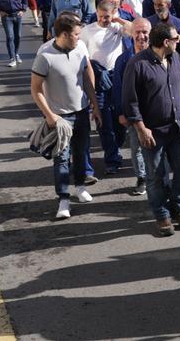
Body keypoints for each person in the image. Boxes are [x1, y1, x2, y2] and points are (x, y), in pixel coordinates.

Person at [121, 23, 180, 236]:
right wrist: (141, 129)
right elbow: (130, 102)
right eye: (176, 39)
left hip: (178, 128)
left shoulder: (175, 59)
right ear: (166, 42)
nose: (179, 41)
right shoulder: (137, 64)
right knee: (156, 176)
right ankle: (162, 214)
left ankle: (178, 208)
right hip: (152, 132)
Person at [31, 14, 103, 219]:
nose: (79, 38)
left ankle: (80, 187)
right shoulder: (44, 55)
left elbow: (87, 75)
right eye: (76, 35)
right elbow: (35, 89)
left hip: (81, 111)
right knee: (62, 159)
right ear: (64, 34)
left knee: (81, 153)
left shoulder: (80, 48)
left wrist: (94, 105)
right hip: (60, 118)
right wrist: (50, 116)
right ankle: (63, 199)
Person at [81, 2, 133, 176]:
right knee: (104, 121)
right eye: (101, 16)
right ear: (96, 13)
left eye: (107, 16)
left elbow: (133, 30)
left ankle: (115, 147)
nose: (104, 20)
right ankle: (112, 159)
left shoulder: (118, 27)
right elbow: (82, 54)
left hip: (117, 77)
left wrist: (117, 19)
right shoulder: (87, 31)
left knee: (120, 121)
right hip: (97, 78)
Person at [111, 18, 152, 197]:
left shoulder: (159, 55)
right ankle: (142, 178)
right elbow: (118, 87)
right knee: (136, 147)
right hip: (134, 113)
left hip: (157, 111)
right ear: (132, 34)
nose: (141, 36)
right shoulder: (123, 59)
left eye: (145, 32)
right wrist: (121, 112)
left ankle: (157, 178)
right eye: (137, 32)